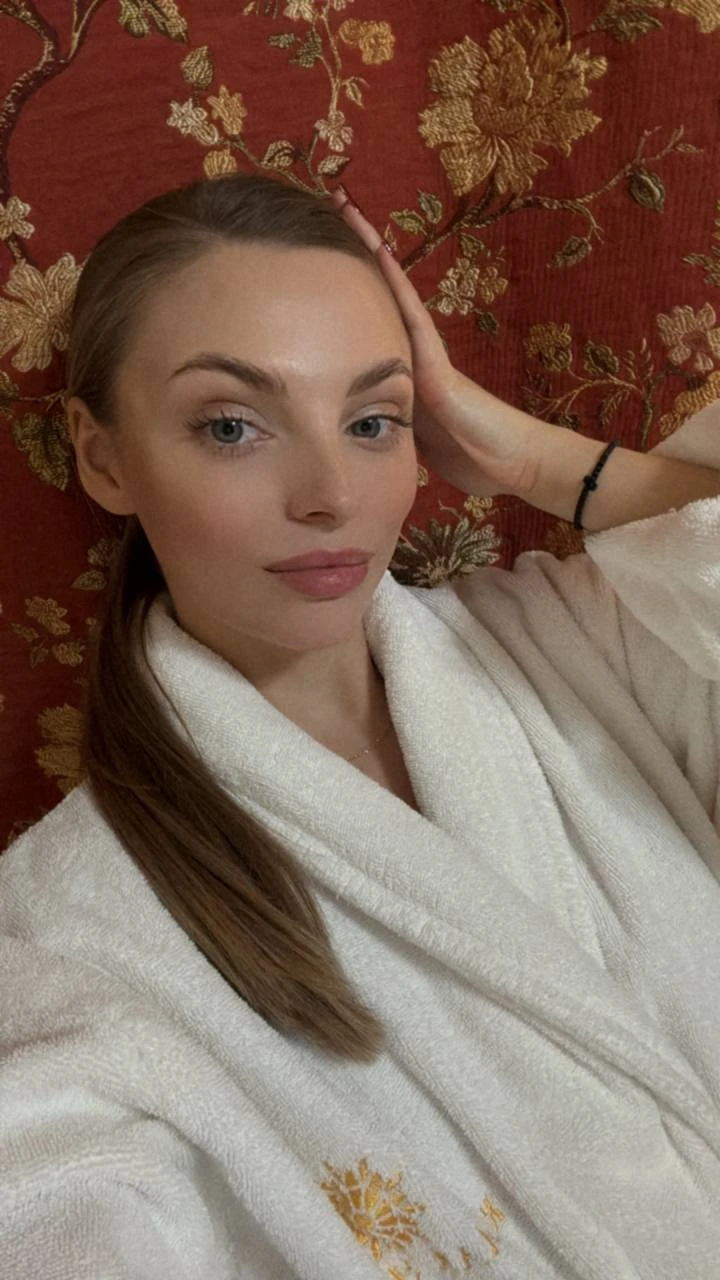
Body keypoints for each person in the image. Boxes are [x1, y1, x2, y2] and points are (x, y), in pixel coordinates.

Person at [1, 172, 720, 1280]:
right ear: (103, 456)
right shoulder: (62, 929)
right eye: (233, 426)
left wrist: (535, 460)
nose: (332, 492)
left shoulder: (590, 644)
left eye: (373, 419)